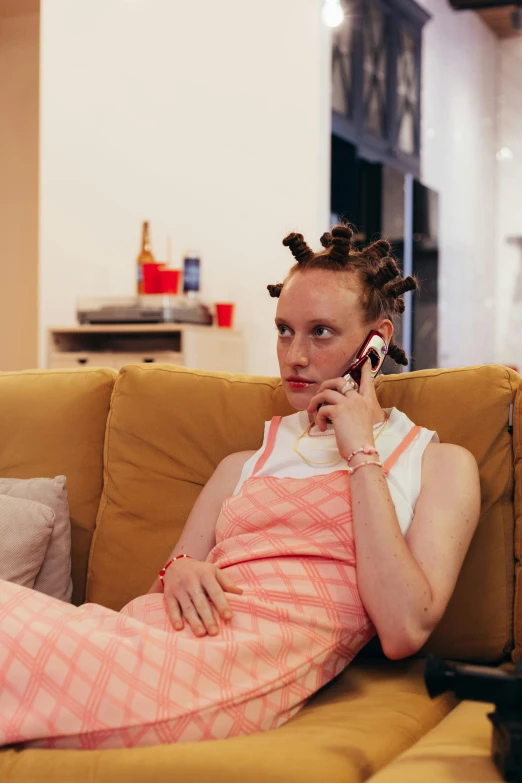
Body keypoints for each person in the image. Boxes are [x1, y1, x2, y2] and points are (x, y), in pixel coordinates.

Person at [0, 224, 480, 751]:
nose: (294, 355)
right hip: (144, 638)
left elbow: (404, 630)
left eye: (320, 331)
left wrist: (361, 451)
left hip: (220, 669)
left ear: (376, 342)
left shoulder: (438, 464)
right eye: (283, 330)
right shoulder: (243, 463)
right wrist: (180, 571)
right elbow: (162, 590)